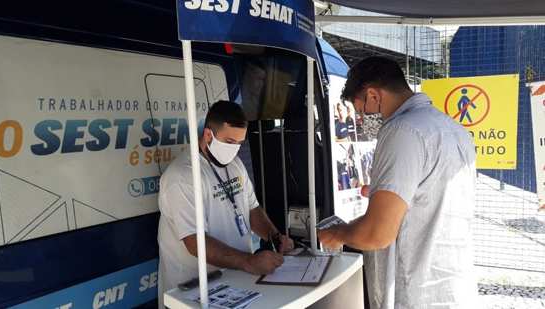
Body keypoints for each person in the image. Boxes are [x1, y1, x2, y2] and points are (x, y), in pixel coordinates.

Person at [318, 57, 478, 308]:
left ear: (373, 95)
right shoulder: (453, 128)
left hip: (416, 293)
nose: (362, 119)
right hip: (453, 286)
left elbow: (376, 234)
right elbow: (426, 197)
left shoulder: (402, 130)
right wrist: (383, 194)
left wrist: (336, 234)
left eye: (361, 110)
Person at [157, 100, 294, 308]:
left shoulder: (235, 164)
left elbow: (252, 209)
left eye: (240, 143)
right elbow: (195, 242)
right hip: (191, 292)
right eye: (229, 142)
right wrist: (249, 262)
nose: (235, 150)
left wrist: (274, 236)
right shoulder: (182, 176)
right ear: (208, 135)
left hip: (234, 282)